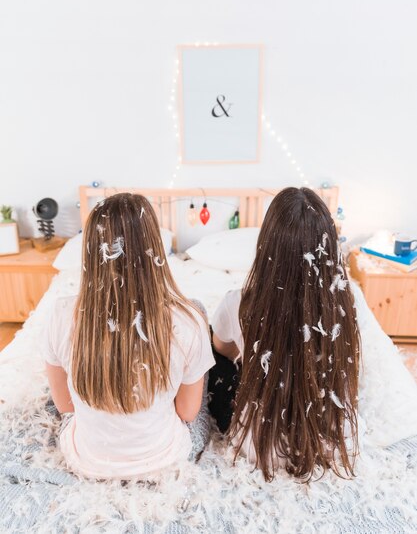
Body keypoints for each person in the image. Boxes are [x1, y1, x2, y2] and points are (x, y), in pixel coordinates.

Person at [44, 193, 214, 480]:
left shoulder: (61, 314)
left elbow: (65, 406)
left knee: (50, 395)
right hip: (164, 458)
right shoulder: (188, 321)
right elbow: (186, 413)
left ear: (90, 252)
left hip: (86, 459)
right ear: (155, 249)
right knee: (199, 396)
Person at [211, 187, 361, 481]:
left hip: (260, 447)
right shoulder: (344, 303)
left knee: (209, 340)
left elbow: (223, 348)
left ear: (266, 248)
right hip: (328, 443)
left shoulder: (238, 302)